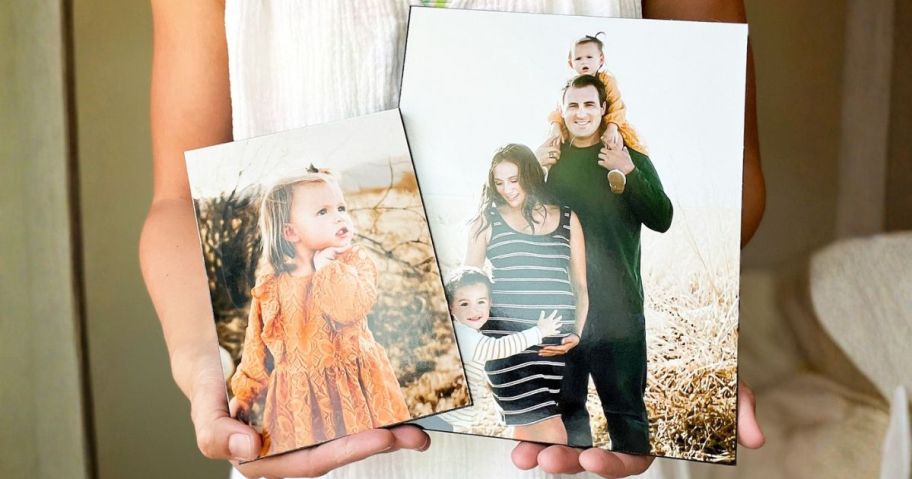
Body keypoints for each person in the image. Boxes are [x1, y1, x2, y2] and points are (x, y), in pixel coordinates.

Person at [144, 1, 766, 477]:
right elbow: (177, 199)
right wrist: (205, 363)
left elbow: (732, 170)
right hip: (317, 448)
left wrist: (629, 312)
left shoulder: (594, 167)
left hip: (579, 441)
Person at [228, 171, 410, 457]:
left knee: (379, 448)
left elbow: (348, 307)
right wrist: (244, 394)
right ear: (290, 232)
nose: (339, 217)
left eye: (341, 208)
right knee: (312, 457)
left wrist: (327, 267)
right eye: (323, 211)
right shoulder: (272, 283)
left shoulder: (353, 262)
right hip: (301, 396)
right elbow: (257, 345)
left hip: (355, 385)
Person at [538, 73, 672, 453]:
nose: (581, 113)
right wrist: (534, 168)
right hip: (562, 310)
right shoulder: (551, 163)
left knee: (627, 415)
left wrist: (627, 170)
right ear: (562, 112)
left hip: (620, 310)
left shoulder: (629, 156)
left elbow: (662, 218)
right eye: (573, 105)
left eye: (589, 104)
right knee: (568, 415)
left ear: (602, 109)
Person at [464, 143, 588, 445]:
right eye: (499, 182)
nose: (507, 189)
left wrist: (577, 334)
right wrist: (479, 344)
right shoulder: (486, 223)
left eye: (514, 179)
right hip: (508, 347)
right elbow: (466, 287)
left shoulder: (568, 219)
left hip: (554, 350)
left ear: (531, 176)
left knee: (529, 441)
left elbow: (581, 286)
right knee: (555, 437)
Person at [437, 267, 562, 433]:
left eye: (480, 301)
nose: (474, 310)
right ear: (451, 307)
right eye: (464, 303)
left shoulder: (466, 331)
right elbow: (498, 348)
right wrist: (539, 332)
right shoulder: (462, 334)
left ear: (490, 303)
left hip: (450, 416)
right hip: (445, 417)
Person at [546, 33, 646, 153]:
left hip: (609, 122)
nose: (584, 62)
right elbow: (559, 109)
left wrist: (612, 126)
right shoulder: (570, 87)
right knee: (556, 139)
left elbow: (616, 105)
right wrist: (555, 126)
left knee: (616, 139)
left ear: (601, 59)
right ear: (571, 63)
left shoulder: (606, 80)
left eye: (589, 57)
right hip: (581, 127)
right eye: (578, 58)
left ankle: (615, 169)